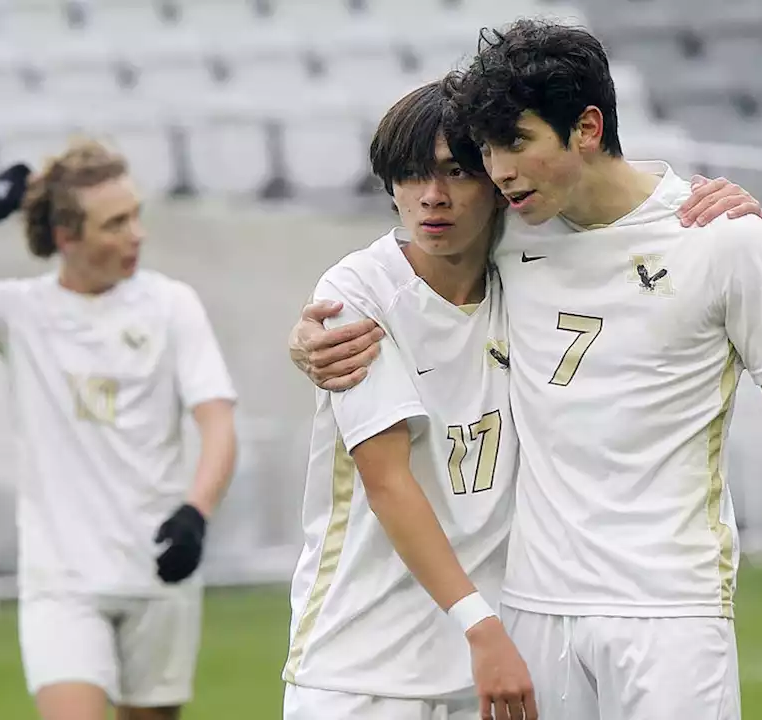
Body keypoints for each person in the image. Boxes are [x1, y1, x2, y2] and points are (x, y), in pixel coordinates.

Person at [290, 18, 762, 720]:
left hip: (670, 610)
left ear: (586, 128)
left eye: (517, 144)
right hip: (533, 612)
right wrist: (309, 339)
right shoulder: (511, 231)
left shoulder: (721, 242)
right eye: (490, 150)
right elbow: (405, 259)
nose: (499, 171)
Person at [0, 140, 238, 720]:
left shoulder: (172, 305)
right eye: (116, 222)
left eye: (136, 215)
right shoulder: (21, 311)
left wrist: (196, 514)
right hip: (63, 580)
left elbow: (218, 422)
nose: (137, 235)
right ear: (66, 238)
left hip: (158, 568)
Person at [282, 81, 535, 720]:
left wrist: (693, 194)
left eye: (456, 172)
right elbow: (388, 482)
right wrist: (481, 626)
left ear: (497, 177)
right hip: (360, 670)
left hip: (489, 669)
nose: (432, 197)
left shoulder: (536, 272)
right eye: (411, 174)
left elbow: (598, 185)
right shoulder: (355, 291)